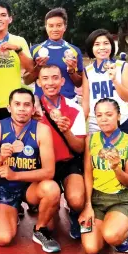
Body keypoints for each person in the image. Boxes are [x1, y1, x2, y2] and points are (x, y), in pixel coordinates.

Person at [0, 88, 60, 252]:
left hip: (30, 186)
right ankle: (12, 211)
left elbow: (49, 172)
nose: (22, 109)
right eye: (17, 104)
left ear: (33, 109)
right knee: (3, 239)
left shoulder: (42, 130)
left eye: (26, 105)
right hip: (4, 188)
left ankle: (40, 229)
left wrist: (15, 174)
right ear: (9, 107)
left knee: (52, 189)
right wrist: (0, 157)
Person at [82, 29, 128, 233]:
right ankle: (97, 204)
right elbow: (86, 99)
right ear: (92, 48)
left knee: (126, 168)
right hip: (95, 122)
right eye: (97, 44)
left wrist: (114, 79)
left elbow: (127, 96)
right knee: (97, 164)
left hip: (121, 120)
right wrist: (82, 122)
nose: (102, 47)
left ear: (112, 46)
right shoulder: (88, 70)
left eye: (106, 43)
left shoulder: (122, 66)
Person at [0, 2, 33, 215]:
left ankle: (15, 195)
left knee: (15, 151)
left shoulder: (19, 40)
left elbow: (30, 69)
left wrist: (18, 50)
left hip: (15, 107)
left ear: (10, 19)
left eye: (3, 15)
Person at [79, 98, 128, 254]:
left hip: (120, 198)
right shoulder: (90, 139)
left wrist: (116, 169)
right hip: (97, 199)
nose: (104, 119)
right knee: (90, 248)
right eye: (99, 115)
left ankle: (124, 233)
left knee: (111, 236)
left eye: (109, 114)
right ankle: (110, 225)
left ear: (118, 116)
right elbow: (88, 172)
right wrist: (87, 206)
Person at [37, 65, 87, 240]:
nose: (50, 83)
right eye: (45, 78)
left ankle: (74, 213)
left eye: (55, 77)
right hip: (43, 166)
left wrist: (66, 131)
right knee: (50, 225)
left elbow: (80, 148)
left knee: (77, 199)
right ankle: (52, 205)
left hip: (67, 163)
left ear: (62, 81)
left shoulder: (75, 109)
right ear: (38, 82)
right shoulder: (32, 108)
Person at [24, 8, 83, 102]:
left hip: (68, 103)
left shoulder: (74, 51)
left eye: (59, 25)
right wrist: (38, 68)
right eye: (51, 26)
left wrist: (72, 71)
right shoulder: (35, 50)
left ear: (65, 27)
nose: (55, 29)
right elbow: (26, 81)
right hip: (42, 105)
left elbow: (79, 83)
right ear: (46, 27)